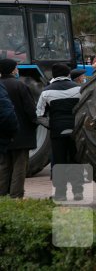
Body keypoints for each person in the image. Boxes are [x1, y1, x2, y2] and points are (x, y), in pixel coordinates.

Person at [37, 63, 83, 201]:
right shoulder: (79, 89)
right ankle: (78, 192)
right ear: (68, 74)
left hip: (57, 132)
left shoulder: (46, 91)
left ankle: (61, 193)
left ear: (54, 75)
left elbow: (39, 115)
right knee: (76, 159)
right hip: (75, 130)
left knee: (59, 161)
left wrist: (51, 126)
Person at [0, 59, 37, 198]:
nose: (17, 70)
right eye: (16, 68)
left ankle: (2, 195)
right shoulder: (19, 85)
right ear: (11, 70)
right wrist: (34, 123)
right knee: (20, 165)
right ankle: (16, 196)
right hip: (21, 133)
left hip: (3, 133)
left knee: (3, 165)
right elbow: (30, 109)